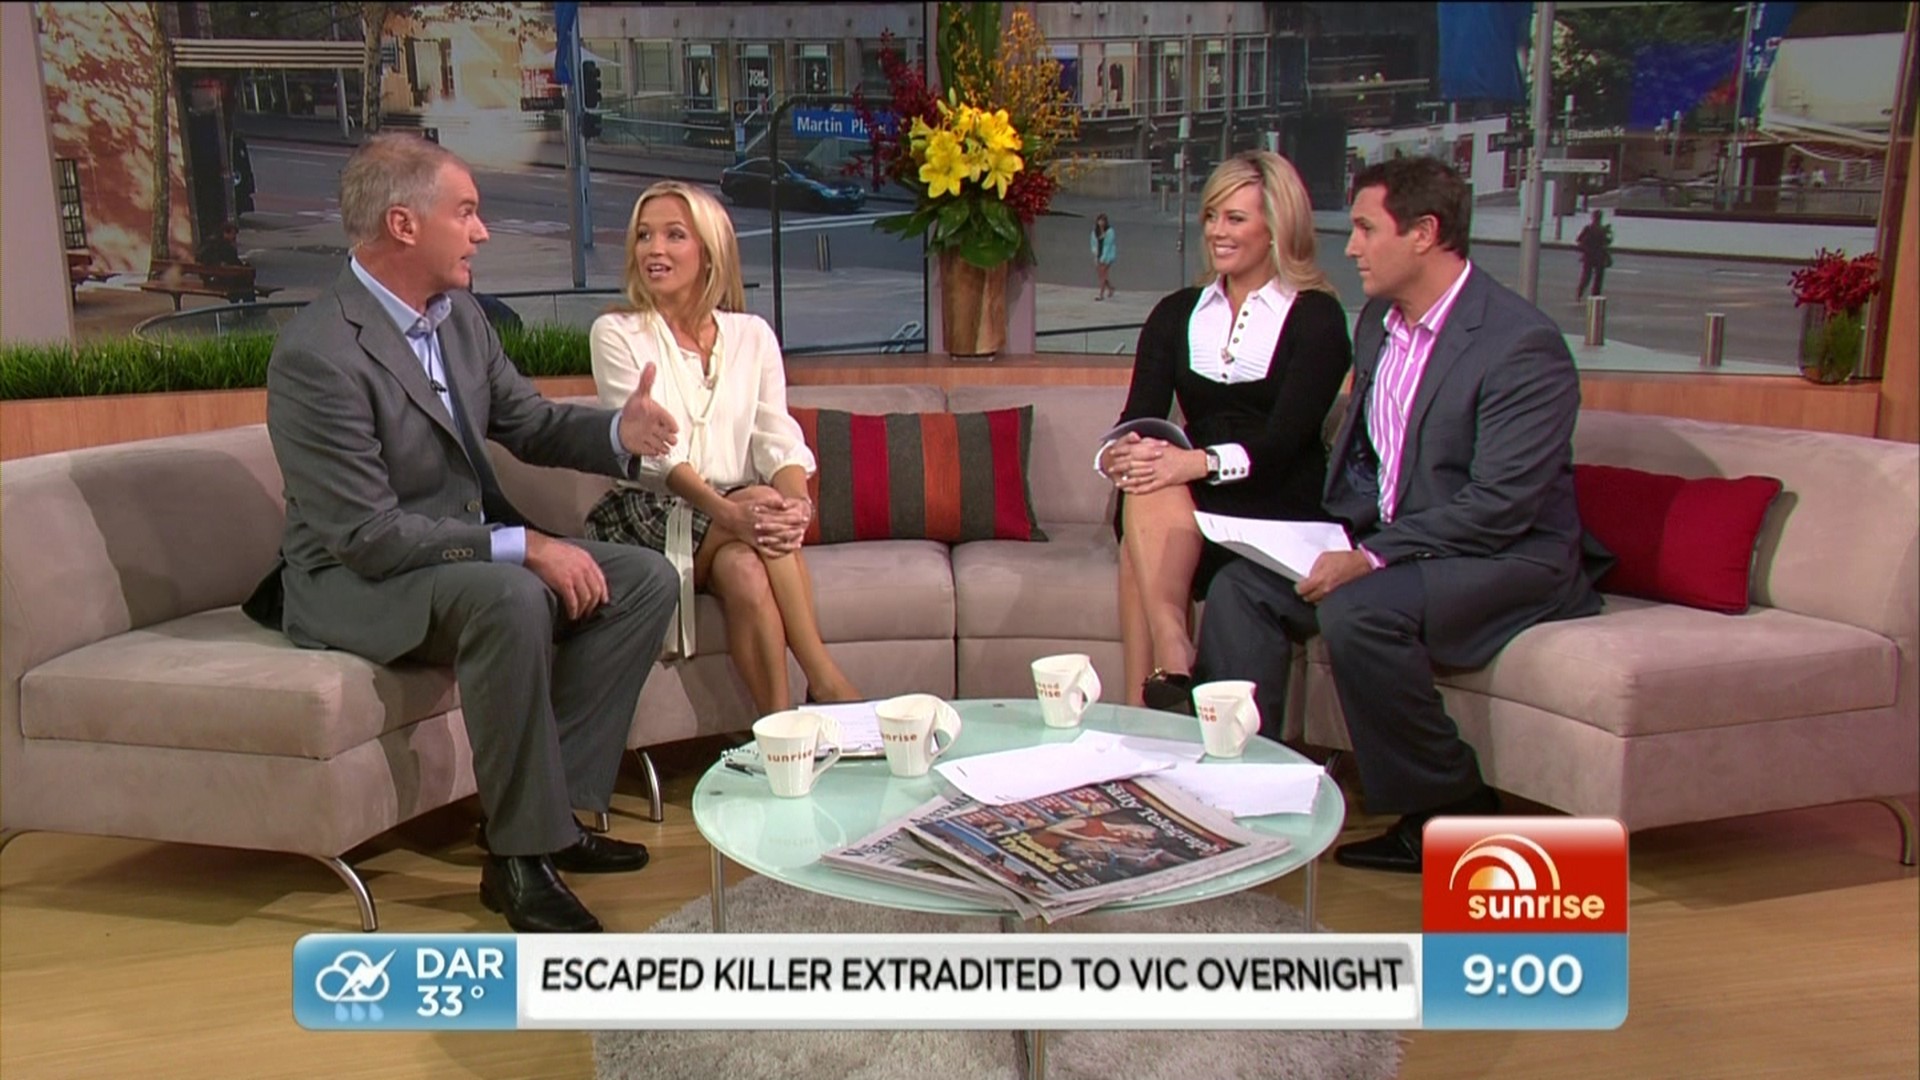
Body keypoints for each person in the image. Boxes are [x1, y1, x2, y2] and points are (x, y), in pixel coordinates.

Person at [243, 133, 682, 934]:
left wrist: (619, 431)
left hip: (453, 559)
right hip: (353, 581)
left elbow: (529, 422)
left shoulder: (461, 319)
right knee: (510, 596)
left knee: (644, 579)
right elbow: (368, 536)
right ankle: (518, 859)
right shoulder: (319, 356)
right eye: (468, 212)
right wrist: (524, 546)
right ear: (404, 225)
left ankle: (556, 817)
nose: (482, 232)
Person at [1195, 156, 1610, 874]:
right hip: (1401, 542)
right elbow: (1371, 461)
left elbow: (1501, 504)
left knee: (1359, 610)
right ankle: (1245, 790)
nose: (1351, 247)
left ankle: (1454, 810)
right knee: (1242, 586)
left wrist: (1370, 557)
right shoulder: (1379, 324)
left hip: (1505, 554)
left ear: (1424, 233)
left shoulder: (1520, 346)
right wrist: (1320, 534)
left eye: (1366, 229)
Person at [585, 180, 861, 715]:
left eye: (674, 235)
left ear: (709, 252)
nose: (654, 249)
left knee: (746, 571)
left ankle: (780, 731)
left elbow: (775, 436)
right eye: (644, 236)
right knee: (759, 503)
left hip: (734, 511)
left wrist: (797, 504)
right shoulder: (616, 333)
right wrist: (730, 511)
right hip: (649, 511)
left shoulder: (752, 335)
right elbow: (653, 457)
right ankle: (826, 681)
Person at [1096, 150, 1353, 714]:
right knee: (1146, 474)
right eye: (1212, 215)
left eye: (1235, 218)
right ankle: (1174, 653)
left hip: (1276, 502)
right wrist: (1120, 451)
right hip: (1192, 506)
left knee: (1146, 520)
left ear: (1277, 227)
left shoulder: (1317, 317)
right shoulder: (1176, 313)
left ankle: (1147, 706)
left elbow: (1285, 441)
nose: (1217, 231)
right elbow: (1139, 414)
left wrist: (1197, 462)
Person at [1575, 210, 1612, 300]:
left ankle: (1580, 292)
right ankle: (1595, 296)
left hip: (1589, 256)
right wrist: (1608, 232)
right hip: (1599, 256)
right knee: (1598, 278)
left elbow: (1579, 239)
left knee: (1587, 277)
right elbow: (1608, 242)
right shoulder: (1602, 230)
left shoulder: (1589, 228)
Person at [1090, 213, 1117, 300]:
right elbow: (1093, 244)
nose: (1101, 223)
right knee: (1101, 275)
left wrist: (1103, 258)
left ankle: (1101, 295)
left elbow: (1108, 246)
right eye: (1100, 221)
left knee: (1103, 274)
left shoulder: (1110, 232)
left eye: (1103, 221)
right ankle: (1110, 288)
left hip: (1108, 256)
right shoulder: (1095, 232)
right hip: (1099, 255)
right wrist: (1096, 256)